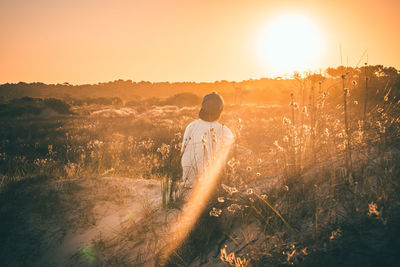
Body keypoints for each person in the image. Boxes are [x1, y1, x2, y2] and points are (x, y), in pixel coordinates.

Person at [180, 92, 234, 190]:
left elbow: (184, 153)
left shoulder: (191, 126)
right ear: (220, 111)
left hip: (188, 183)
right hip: (210, 187)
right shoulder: (225, 131)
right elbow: (228, 160)